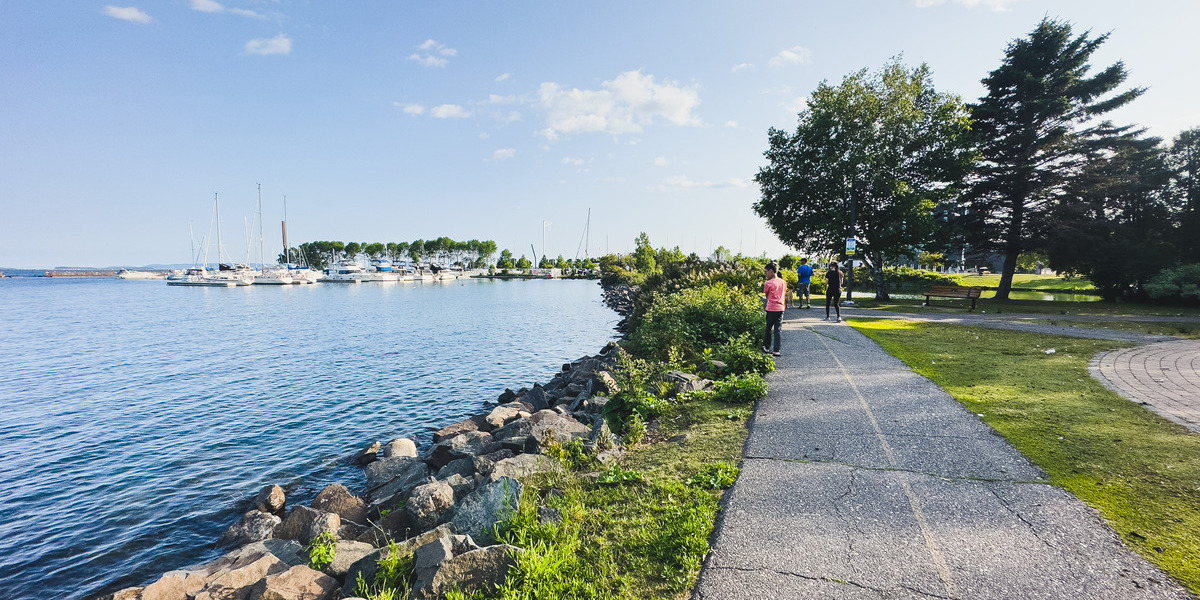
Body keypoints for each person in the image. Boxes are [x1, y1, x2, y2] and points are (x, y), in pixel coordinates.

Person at [762, 261, 786, 356]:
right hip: (780, 308)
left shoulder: (768, 283)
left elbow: (767, 295)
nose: (766, 274)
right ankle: (777, 350)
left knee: (768, 328)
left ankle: (767, 347)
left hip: (771, 308)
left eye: (766, 272)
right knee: (777, 329)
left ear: (771, 271)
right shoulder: (783, 282)